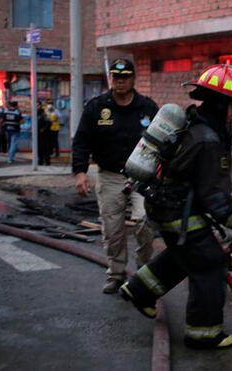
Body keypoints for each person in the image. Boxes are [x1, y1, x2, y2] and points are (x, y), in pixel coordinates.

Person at [119, 64, 232, 350]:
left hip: (164, 206)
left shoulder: (193, 125)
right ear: (223, 104)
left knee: (185, 254)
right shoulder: (209, 140)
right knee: (211, 263)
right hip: (179, 213)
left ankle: (139, 291)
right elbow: (217, 202)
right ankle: (204, 333)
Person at [72, 58, 159, 294]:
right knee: (112, 228)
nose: (119, 81)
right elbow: (81, 142)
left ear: (133, 79)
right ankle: (116, 273)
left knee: (145, 221)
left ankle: (143, 268)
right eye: (115, 77)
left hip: (142, 177)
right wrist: (80, 172)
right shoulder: (97, 107)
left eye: (124, 77)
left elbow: (163, 141)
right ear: (110, 78)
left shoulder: (148, 107)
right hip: (110, 176)